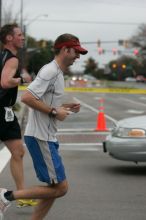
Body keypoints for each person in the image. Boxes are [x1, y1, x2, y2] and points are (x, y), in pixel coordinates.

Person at [0, 33, 88, 219]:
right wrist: (55, 112)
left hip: (45, 136)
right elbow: (27, 98)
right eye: (76, 52)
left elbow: (42, 103)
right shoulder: (51, 71)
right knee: (61, 188)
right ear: (65, 49)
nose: (78, 57)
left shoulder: (57, 73)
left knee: (53, 188)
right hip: (42, 137)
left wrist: (64, 107)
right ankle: (6, 196)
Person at [0, 23, 37, 208]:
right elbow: (5, 82)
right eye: (19, 35)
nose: (23, 38)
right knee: (18, 152)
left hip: (6, 113)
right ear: (9, 38)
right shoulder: (11, 59)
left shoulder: (3, 57)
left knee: (18, 151)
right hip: (1, 111)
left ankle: (21, 194)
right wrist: (23, 79)